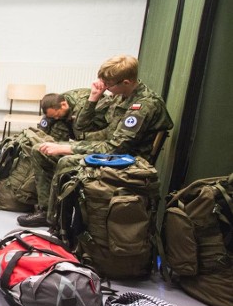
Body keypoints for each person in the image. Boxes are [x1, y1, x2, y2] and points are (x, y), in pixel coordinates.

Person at [18, 55, 174, 227]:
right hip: (109, 149)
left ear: (126, 82)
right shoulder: (119, 97)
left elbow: (117, 148)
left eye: (108, 84)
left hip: (127, 160)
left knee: (66, 161)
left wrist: (68, 149)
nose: (105, 87)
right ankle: (46, 210)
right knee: (40, 150)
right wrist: (93, 98)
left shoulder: (143, 106)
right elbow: (82, 128)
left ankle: (57, 221)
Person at [39, 88, 110, 142]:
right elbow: (42, 129)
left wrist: (74, 148)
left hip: (97, 124)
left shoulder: (80, 105)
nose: (56, 118)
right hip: (75, 119)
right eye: (53, 116)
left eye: (57, 115)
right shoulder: (54, 104)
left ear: (63, 105)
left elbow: (81, 130)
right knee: (56, 125)